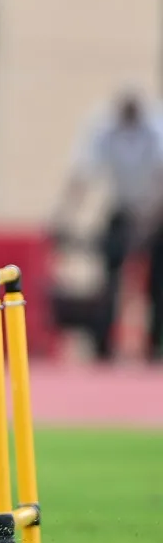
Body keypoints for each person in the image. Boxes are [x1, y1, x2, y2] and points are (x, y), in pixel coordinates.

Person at [52, 90, 163, 362]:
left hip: (155, 208)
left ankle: (157, 342)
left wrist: (148, 222)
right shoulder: (103, 127)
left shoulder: (156, 126)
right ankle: (104, 344)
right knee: (110, 275)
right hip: (123, 205)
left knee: (159, 279)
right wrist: (64, 217)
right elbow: (82, 175)